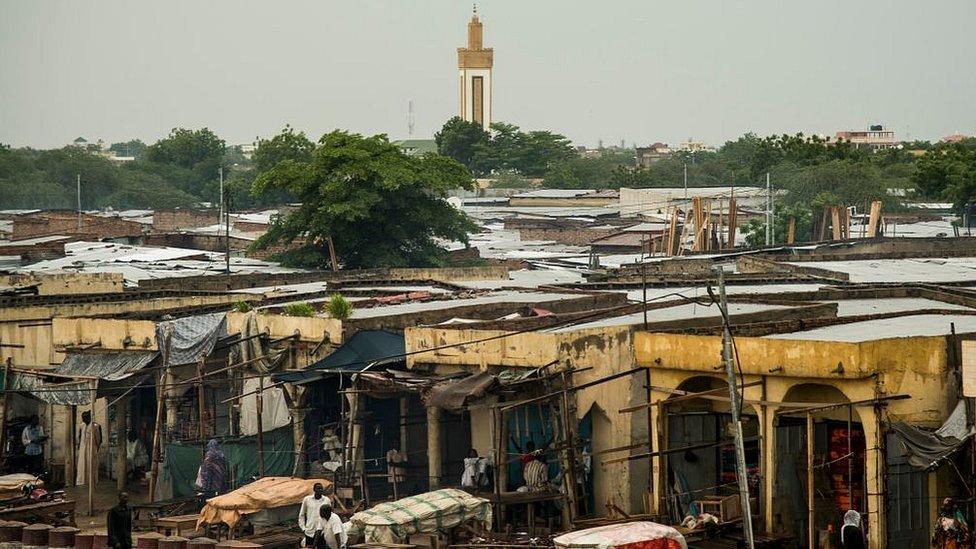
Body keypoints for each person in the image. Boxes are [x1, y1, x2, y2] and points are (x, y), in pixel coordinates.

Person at [299, 482, 330, 547]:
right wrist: (303, 528)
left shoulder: (326, 500)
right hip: (309, 531)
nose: (320, 490)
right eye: (318, 488)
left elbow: (329, 516)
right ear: (314, 489)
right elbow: (301, 515)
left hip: (322, 532)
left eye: (321, 488)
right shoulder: (307, 499)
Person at [76, 410, 103, 486]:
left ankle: (92, 481)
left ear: (89, 417)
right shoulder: (82, 426)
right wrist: (79, 447)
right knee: (82, 464)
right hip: (83, 447)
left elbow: (99, 439)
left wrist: (96, 448)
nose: (83, 419)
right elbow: (80, 436)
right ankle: (82, 481)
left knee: (91, 464)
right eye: (82, 418)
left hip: (92, 448)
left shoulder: (96, 426)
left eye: (85, 417)